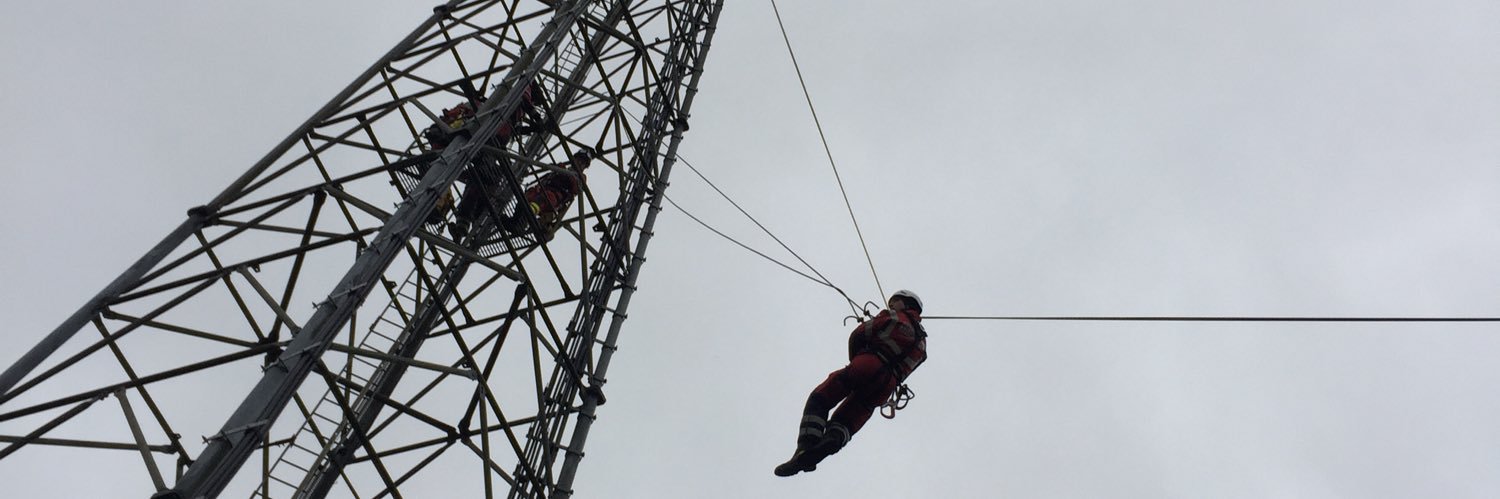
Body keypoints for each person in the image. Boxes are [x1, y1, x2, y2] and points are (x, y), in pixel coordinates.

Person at [774, 290, 928, 477]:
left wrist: (857, 358)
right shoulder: (922, 345)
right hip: (886, 386)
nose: (891, 306)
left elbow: (859, 334)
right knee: (847, 421)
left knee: (820, 399)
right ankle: (830, 441)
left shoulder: (893, 317)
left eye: (894, 303)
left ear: (905, 304)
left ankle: (805, 448)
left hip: (867, 364)